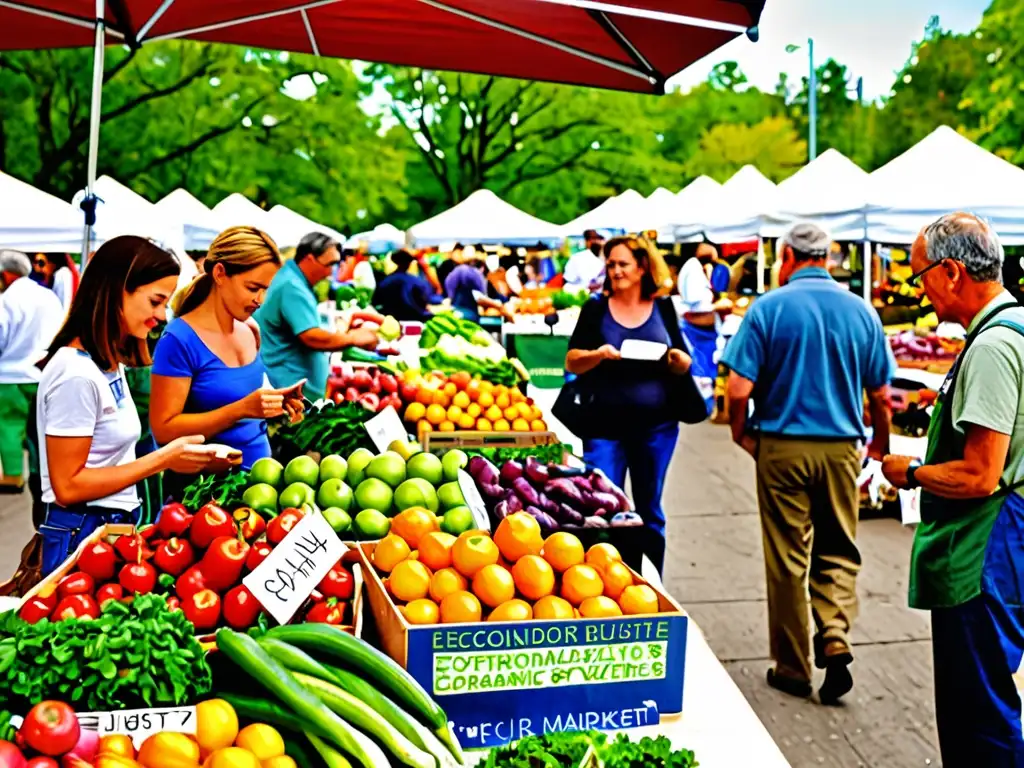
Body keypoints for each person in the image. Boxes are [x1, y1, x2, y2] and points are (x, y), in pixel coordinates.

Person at [721, 222, 894, 705]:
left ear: (788, 257)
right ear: (828, 257)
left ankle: (793, 667)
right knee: (838, 545)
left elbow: (738, 389)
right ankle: (835, 632)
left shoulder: (768, 309)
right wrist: (877, 445)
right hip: (841, 445)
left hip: (781, 445)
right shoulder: (862, 311)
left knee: (786, 556)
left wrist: (741, 431)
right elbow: (881, 394)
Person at [881, 214, 1024, 765]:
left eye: (921, 277)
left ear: (953, 272)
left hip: (985, 548)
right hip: (1009, 540)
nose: (920, 291)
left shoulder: (991, 346)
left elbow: (979, 474)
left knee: (979, 712)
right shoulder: (1015, 327)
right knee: (985, 700)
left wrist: (909, 472)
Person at [35, 236, 218, 575]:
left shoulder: (106, 363)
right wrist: (163, 459)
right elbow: (68, 486)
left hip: (107, 530)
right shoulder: (75, 374)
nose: (161, 316)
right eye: (155, 301)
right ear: (118, 290)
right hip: (83, 534)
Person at [565, 236, 701, 576]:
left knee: (649, 510)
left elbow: (682, 359)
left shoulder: (664, 308)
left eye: (622, 264)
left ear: (642, 267)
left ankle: (653, 583)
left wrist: (679, 362)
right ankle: (603, 582)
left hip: (656, 428)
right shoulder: (595, 308)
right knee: (601, 509)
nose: (615, 271)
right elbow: (572, 361)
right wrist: (598, 355)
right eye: (610, 264)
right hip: (603, 428)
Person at [150, 226, 303, 472]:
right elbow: (163, 430)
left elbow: (235, 388)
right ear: (220, 273)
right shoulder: (178, 340)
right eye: (253, 288)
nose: (260, 300)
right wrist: (242, 409)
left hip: (261, 483)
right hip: (206, 495)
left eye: (266, 289)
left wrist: (274, 400)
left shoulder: (251, 328)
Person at [255, 232, 379, 400]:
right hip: (290, 389)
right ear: (309, 259)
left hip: (291, 386)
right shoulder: (292, 287)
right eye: (330, 264)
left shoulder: (291, 279)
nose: (331, 272)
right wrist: (353, 338)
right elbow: (311, 337)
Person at [0, 250, 63, 493]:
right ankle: (42, 474)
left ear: (6, 275)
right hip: (43, 373)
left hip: (9, 376)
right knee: (40, 432)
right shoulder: (49, 297)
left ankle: (14, 476)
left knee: (9, 428)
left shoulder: (6, 301)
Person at [676, 243, 733, 414]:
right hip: (697, 330)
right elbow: (694, 304)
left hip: (705, 331)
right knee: (701, 372)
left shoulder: (703, 268)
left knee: (706, 368)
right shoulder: (692, 268)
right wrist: (717, 307)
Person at [373, 250, 442, 322]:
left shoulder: (385, 281)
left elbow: (377, 301)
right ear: (409, 263)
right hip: (416, 320)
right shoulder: (415, 281)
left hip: (392, 321)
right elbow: (426, 299)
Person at [444, 258, 513, 323]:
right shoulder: (473, 275)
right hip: (467, 316)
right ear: (482, 268)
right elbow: (478, 297)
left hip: (457, 313)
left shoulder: (457, 273)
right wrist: (498, 305)